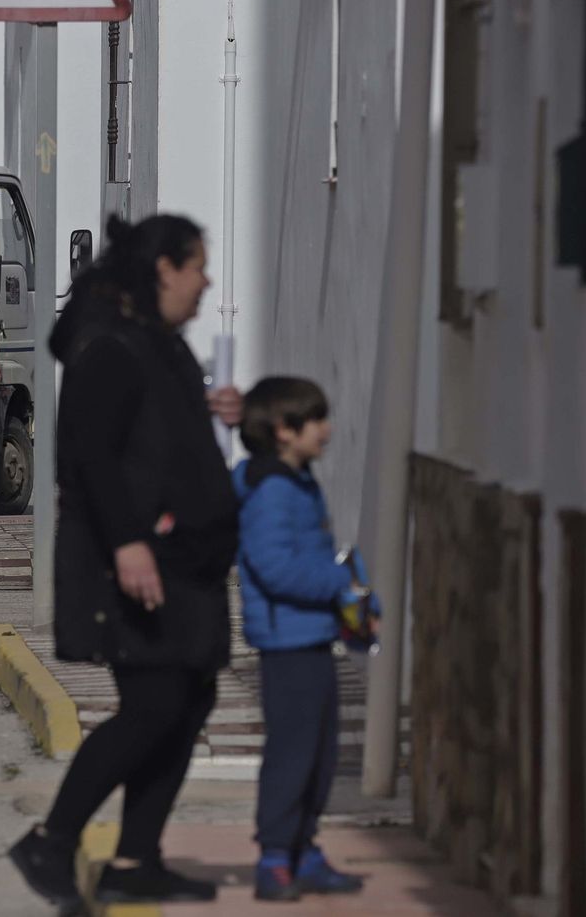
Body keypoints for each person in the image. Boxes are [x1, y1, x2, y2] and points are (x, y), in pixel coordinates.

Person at [8, 213, 244, 909]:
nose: (207, 283)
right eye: (198, 266)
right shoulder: (111, 344)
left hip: (181, 556)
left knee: (188, 695)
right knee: (155, 702)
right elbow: (92, 453)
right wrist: (129, 543)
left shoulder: (151, 341)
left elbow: (146, 427)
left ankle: (136, 856)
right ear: (164, 268)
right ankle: (52, 839)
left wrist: (208, 406)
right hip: (135, 560)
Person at [232, 376, 378, 902]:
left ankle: (304, 851)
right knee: (294, 752)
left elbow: (315, 557)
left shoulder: (299, 481)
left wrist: (357, 599)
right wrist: (342, 585)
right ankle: (275, 860)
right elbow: (276, 568)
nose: (327, 429)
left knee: (320, 752)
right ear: (283, 431)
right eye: (315, 420)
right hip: (286, 643)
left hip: (311, 636)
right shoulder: (271, 490)